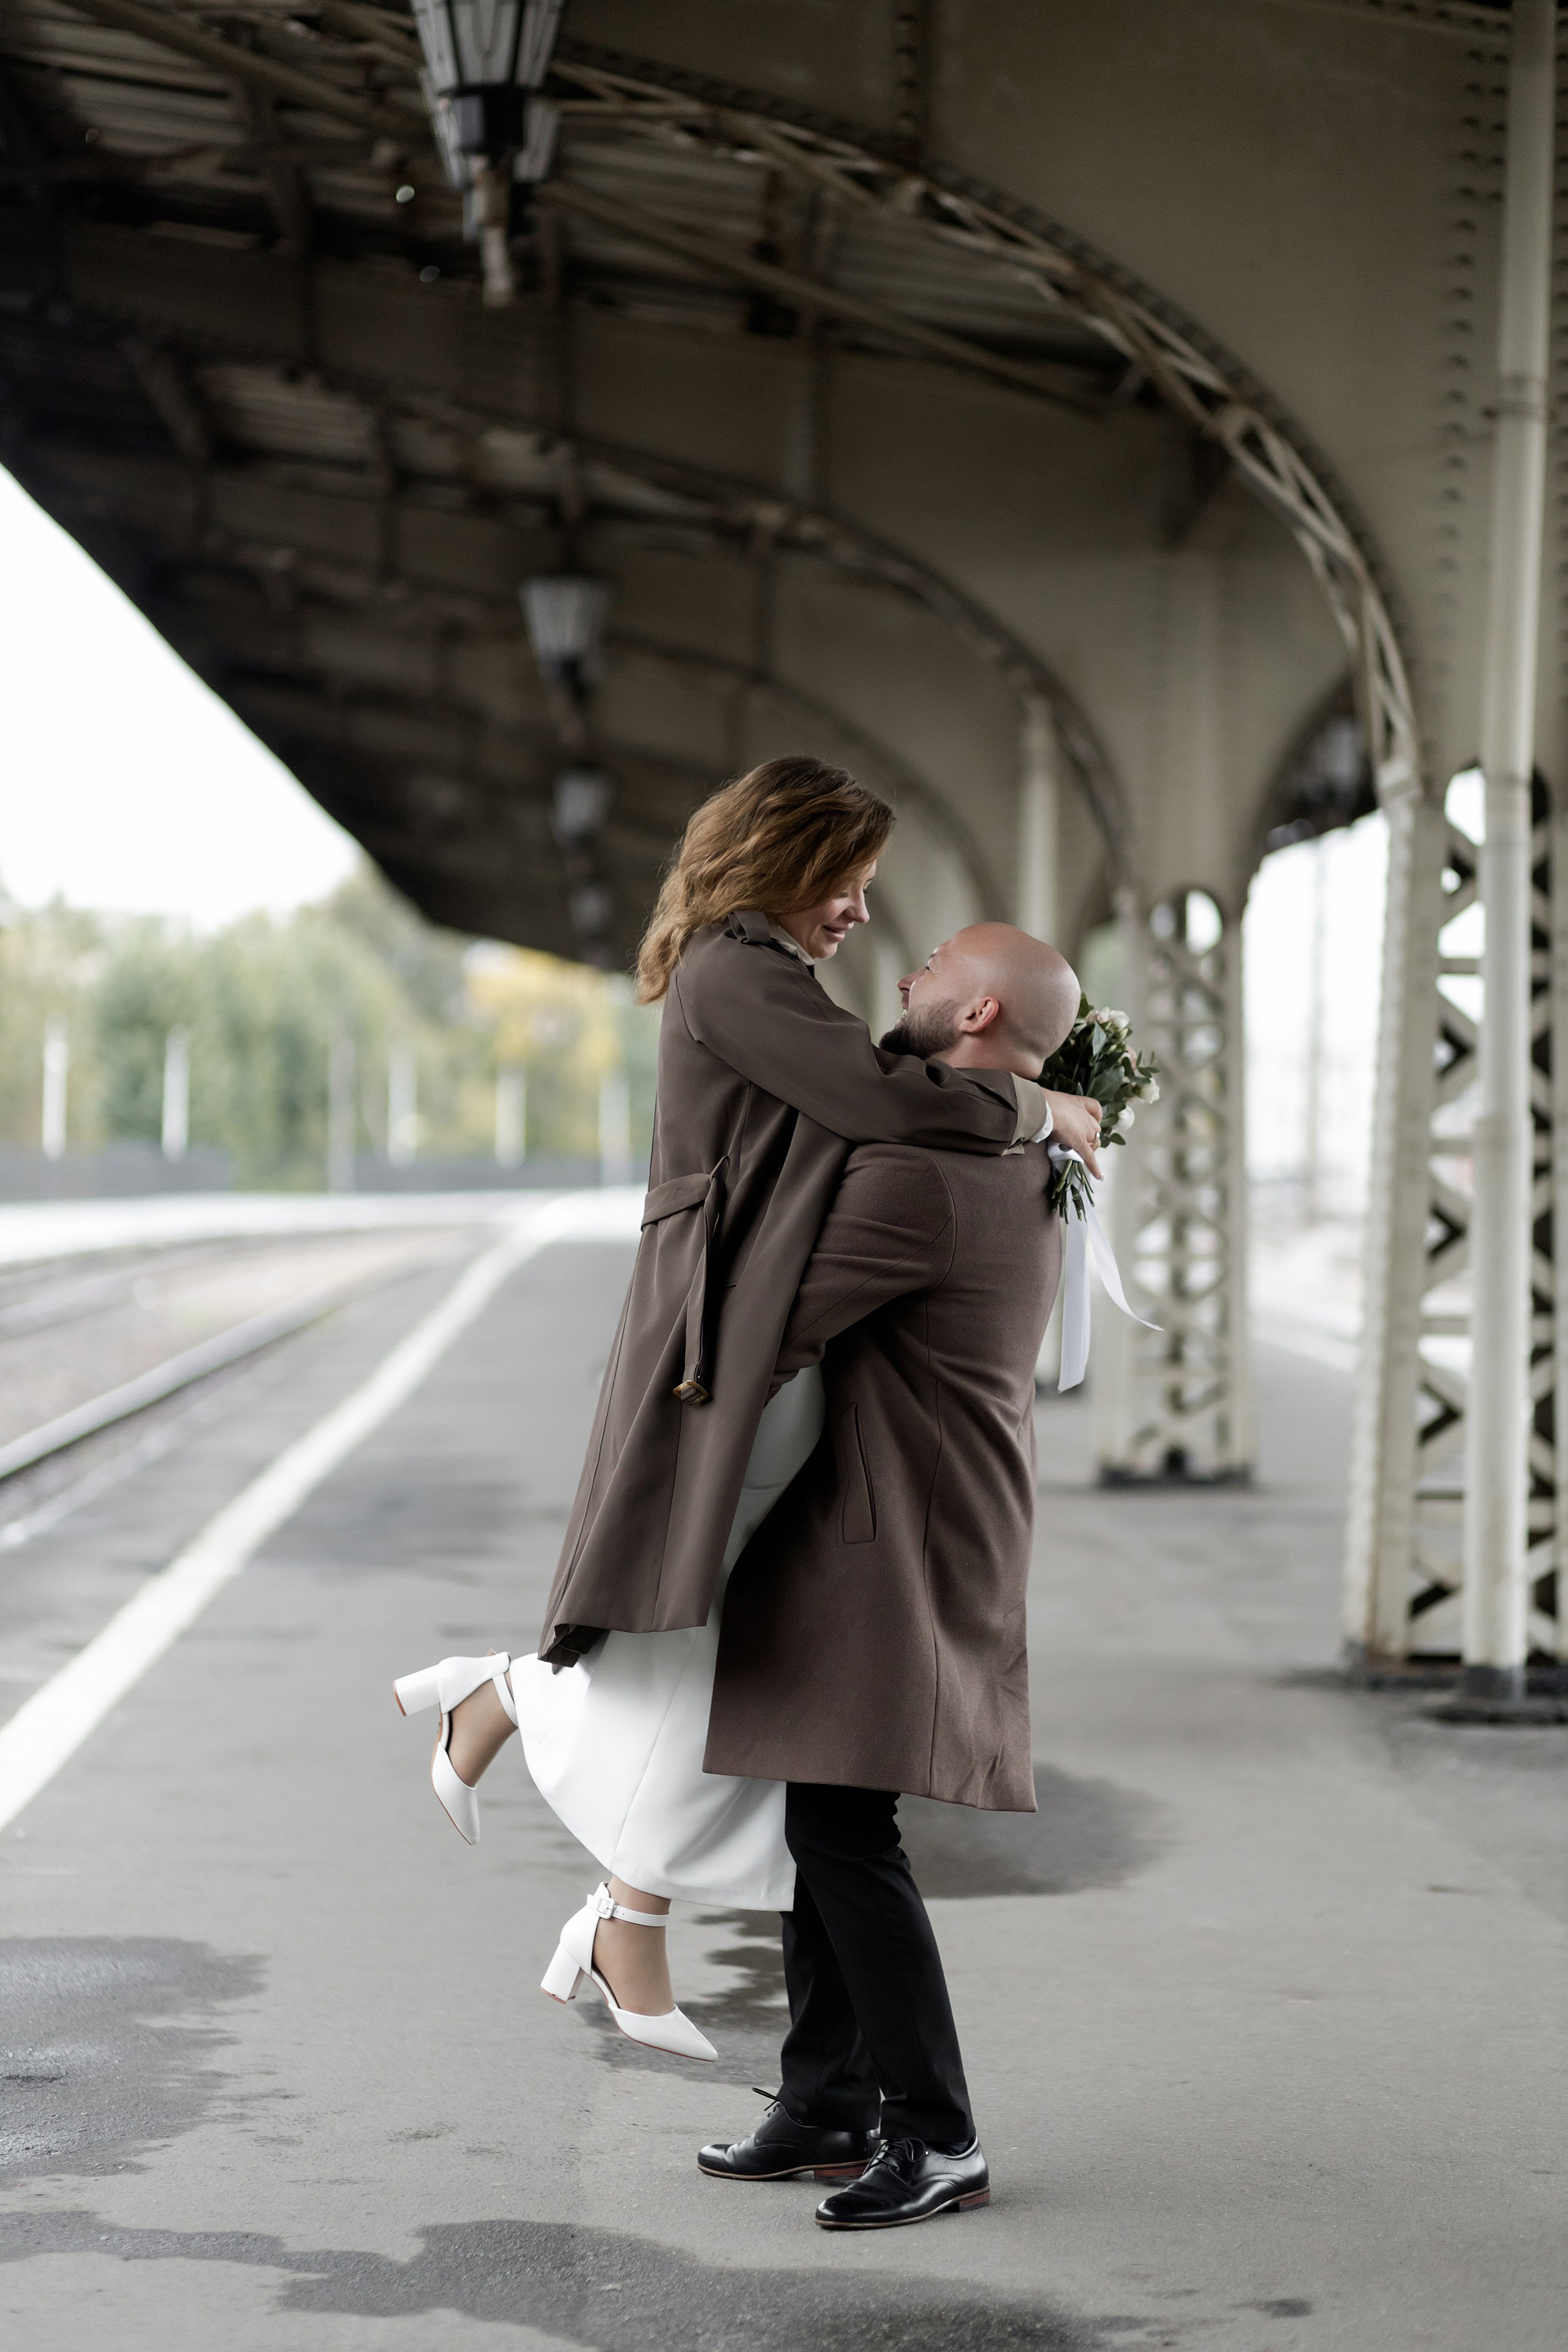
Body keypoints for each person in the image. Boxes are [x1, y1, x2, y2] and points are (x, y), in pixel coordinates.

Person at [393, 761, 1102, 2057]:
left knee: (710, 1639)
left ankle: (621, 1903)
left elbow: (859, 1106)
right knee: (687, 1621)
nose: (861, 913)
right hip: (730, 1337)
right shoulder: (733, 969)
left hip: (755, 1320)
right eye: (849, 882)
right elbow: (873, 1099)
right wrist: (1031, 1104)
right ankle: (510, 1709)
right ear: (787, 857)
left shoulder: (758, 971)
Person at [695, 922, 1082, 2228]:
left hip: (891, 1525)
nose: (908, 971)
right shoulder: (1016, 1149)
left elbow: (774, 1321)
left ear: (976, 1016)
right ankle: (827, 2105)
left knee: (843, 1832)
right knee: (828, 1811)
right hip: (919, 1506)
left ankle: (936, 2133)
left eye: (935, 963)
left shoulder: (923, 1174)